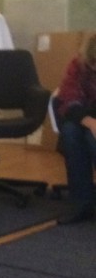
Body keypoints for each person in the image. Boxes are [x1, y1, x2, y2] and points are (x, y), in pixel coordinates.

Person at [54, 32, 96, 225]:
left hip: (89, 117)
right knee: (70, 133)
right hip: (85, 117)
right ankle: (82, 204)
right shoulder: (78, 65)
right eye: (92, 63)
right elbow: (68, 98)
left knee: (91, 140)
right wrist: (90, 122)